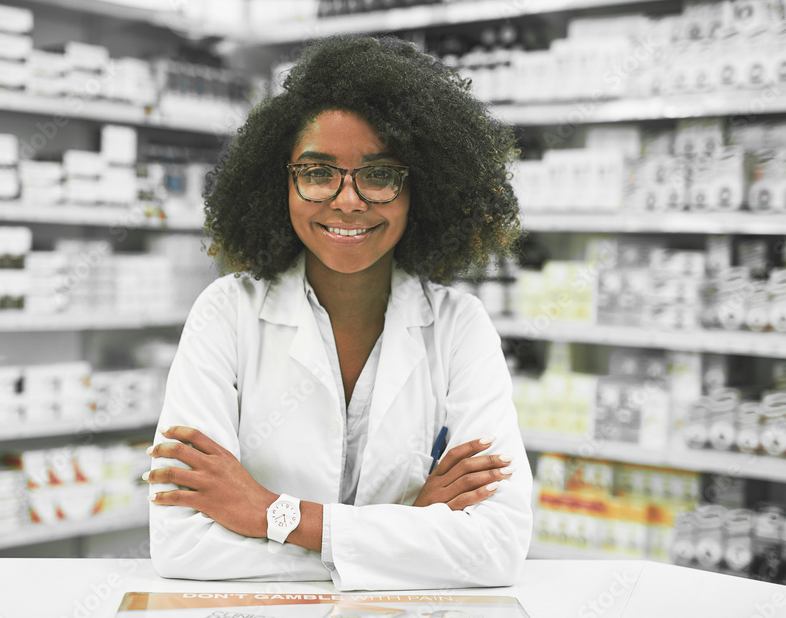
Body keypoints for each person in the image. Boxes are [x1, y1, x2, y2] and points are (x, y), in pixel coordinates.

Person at [143, 34, 532, 591]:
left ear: (419, 188)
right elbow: (181, 543)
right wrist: (411, 531)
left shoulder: (458, 328)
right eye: (318, 171)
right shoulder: (225, 314)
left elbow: (496, 548)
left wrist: (272, 514)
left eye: (379, 174)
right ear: (281, 183)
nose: (348, 201)